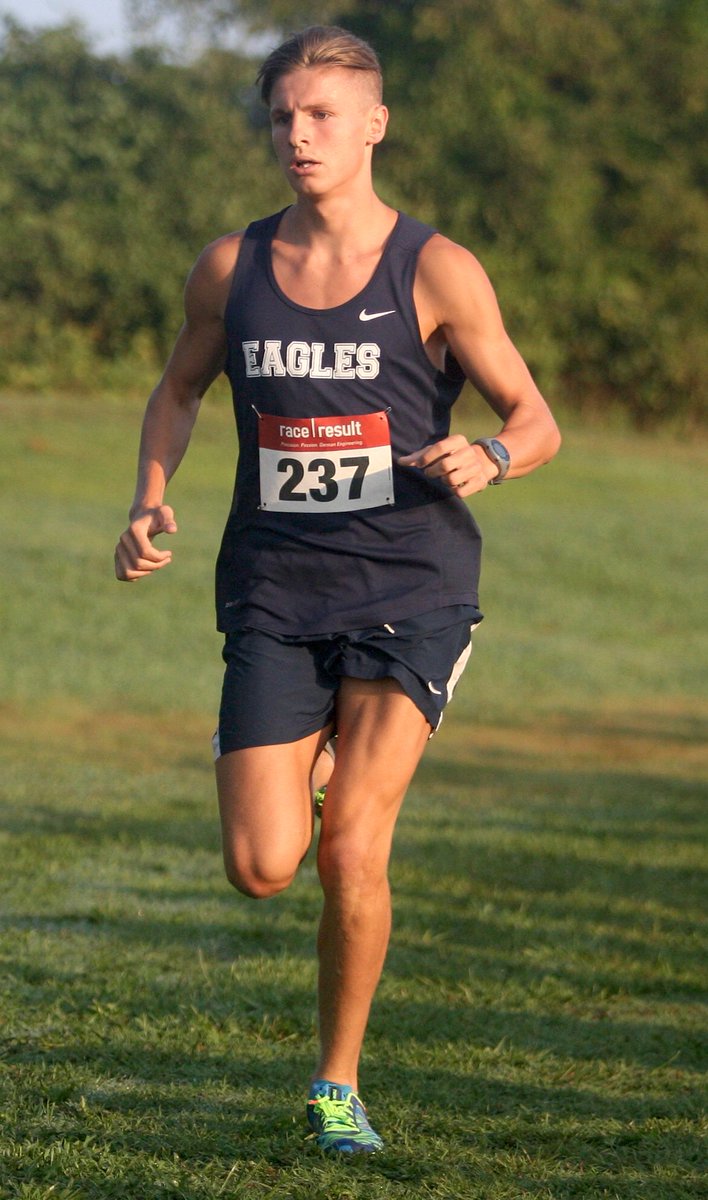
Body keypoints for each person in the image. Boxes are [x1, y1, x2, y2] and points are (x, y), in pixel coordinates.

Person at [115, 24, 561, 1155]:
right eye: (282, 116)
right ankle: (312, 757)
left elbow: (536, 417)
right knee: (265, 868)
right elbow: (178, 389)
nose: (300, 135)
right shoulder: (234, 266)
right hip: (274, 588)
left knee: (355, 851)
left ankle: (335, 1087)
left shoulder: (438, 269)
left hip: (413, 583)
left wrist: (494, 457)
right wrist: (148, 493)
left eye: (322, 115)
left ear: (373, 124)